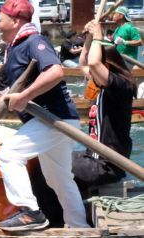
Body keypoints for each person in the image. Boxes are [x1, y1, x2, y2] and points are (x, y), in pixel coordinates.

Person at [0, 0, 87, 231]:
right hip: (52, 121)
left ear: (15, 20)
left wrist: (25, 96)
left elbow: (56, 72)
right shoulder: (15, 48)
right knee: (58, 179)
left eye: (1, 18)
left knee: (8, 155)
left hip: (53, 119)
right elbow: (16, 87)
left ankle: (30, 212)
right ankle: (81, 229)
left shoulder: (34, 40)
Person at [31, 17, 135, 226]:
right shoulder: (102, 85)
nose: (92, 74)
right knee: (44, 160)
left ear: (108, 65)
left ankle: (54, 223)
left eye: (99, 68)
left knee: (45, 174)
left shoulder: (120, 87)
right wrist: (89, 37)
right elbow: (85, 63)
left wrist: (98, 34)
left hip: (106, 164)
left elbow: (94, 63)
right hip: (91, 157)